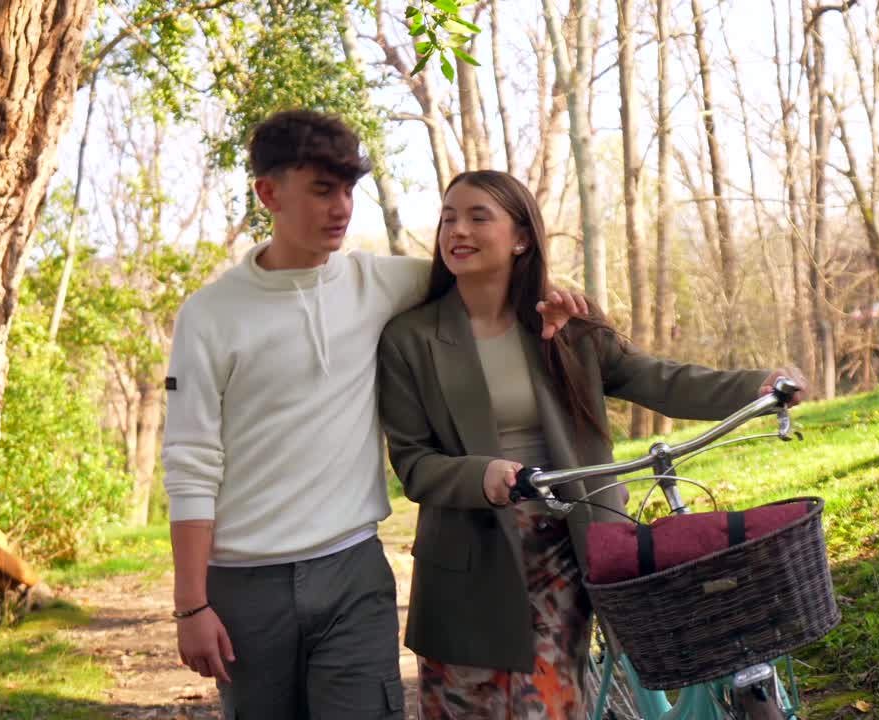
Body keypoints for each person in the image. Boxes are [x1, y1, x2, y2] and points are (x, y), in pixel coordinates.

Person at [161, 112, 586, 720]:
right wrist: (191, 605)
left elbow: (483, 274)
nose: (342, 208)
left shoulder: (380, 282)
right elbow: (191, 463)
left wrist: (558, 297)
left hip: (353, 572)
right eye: (321, 190)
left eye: (349, 191)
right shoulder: (210, 315)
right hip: (245, 585)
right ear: (268, 193)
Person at [376, 169, 805, 719]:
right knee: (468, 707)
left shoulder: (563, 324)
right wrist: (480, 475)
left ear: (522, 237)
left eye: (478, 216)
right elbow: (414, 463)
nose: (457, 229)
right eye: (448, 217)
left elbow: (656, 379)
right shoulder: (410, 340)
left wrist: (757, 386)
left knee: (550, 705)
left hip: (567, 545)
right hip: (471, 558)